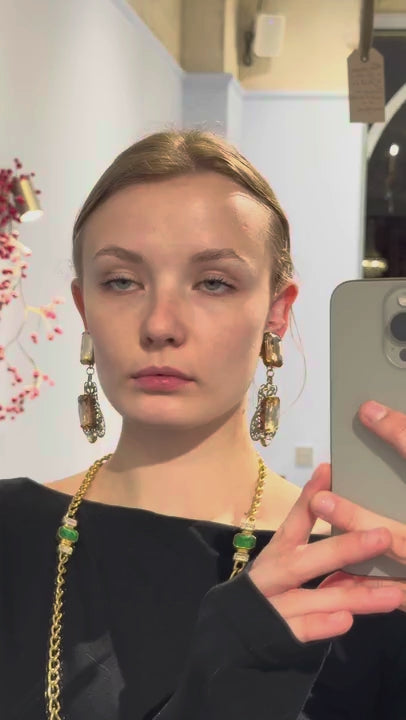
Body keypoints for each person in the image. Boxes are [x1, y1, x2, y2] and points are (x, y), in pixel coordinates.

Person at [1, 129, 405, 720]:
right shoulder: (11, 535)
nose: (160, 325)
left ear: (276, 311)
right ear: (84, 306)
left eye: (214, 282)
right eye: (121, 281)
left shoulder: (358, 574)